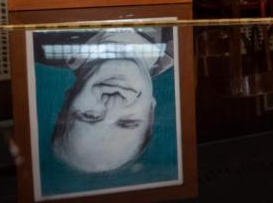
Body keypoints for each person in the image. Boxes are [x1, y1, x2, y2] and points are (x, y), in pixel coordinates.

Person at [34, 27, 175, 173]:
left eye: (90, 116)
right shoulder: (182, 45)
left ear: (68, 100)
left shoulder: (39, 41)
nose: (114, 102)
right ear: (151, 110)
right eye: (127, 122)